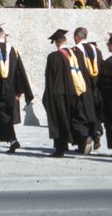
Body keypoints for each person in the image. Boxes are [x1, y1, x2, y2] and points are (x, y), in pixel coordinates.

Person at [0, 25, 34, 153]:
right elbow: (20, 72)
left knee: (2, 115)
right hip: (10, 91)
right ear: (4, 36)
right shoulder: (13, 50)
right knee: (3, 115)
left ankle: (13, 140)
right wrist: (20, 90)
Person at [43, 29, 81, 157]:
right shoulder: (75, 54)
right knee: (72, 118)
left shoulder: (53, 57)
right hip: (74, 92)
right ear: (65, 41)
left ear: (56, 43)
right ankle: (81, 141)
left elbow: (49, 78)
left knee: (58, 120)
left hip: (58, 94)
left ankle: (60, 148)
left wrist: (47, 96)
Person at [71, 27, 103, 151]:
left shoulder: (73, 51)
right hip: (96, 90)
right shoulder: (97, 51)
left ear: (76, 37)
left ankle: (84, 139)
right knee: (93, 113)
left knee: (79, 115)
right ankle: (96, 132)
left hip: (81, 90)